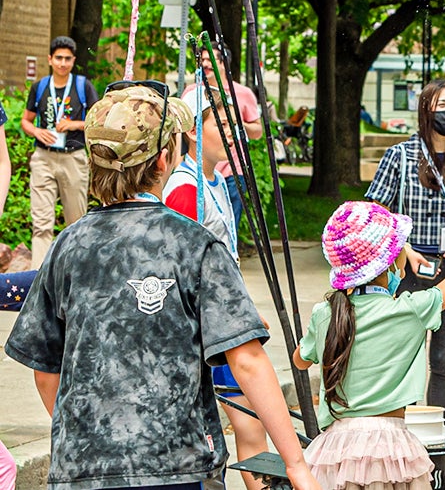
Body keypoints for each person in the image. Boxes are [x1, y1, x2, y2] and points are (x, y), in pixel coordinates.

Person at [4, 83, 315, 490]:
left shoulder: (68, 244)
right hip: (175, 468)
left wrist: (86, 438)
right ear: (164, 160)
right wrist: (297, 465)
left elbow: (45, 369)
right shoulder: (195, 244)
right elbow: (248, 361)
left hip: (82, 470)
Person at [292, 197, 445, 490]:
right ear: (391, 263)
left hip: (336, 451)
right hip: (389, 448)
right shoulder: (410, 310)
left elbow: (300, 360)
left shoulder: (326, 312)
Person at [365, 80, 445, 423]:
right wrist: (404, 247)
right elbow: (377, 213)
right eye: (441, 104)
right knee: (401, 355)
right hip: (407, 268)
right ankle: (397, 434)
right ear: (425, 110)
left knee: (444, 359)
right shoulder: (400, 155)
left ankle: (436, 436)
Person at [164, 87, 267, 489]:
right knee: (234, 425)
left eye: (234, 123)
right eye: (220, 123)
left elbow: (227, 258)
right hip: (204, 328)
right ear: (192, 130)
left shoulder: (218, 182)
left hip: (225, 317)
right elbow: (181, 269)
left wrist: (244, 305)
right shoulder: (185, 188)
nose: (232, 132)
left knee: (250, 425)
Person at [19, 36, 98, 268]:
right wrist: (36, 131)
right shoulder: (40, 87)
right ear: (50, 59)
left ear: (73, 60)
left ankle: (76, 272)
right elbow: (26, 120)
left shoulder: (83, 86)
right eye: (58, 58)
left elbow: (97, 120)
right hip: (44, 156)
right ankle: (37, 275)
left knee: (75, 221)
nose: (63, 63)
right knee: (41, 222)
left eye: (67, 59)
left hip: (73, 156)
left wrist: (74, 125)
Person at [181, 44, 264, 237]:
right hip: (198, 171)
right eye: (202, 60)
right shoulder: (192, 93)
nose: (205, 64)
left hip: (232, 173)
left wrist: (234, 123)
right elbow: (180, 130)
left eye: (210, 59)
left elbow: (258, 130)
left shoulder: (242, 94)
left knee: (228, 229)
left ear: (224, 63)